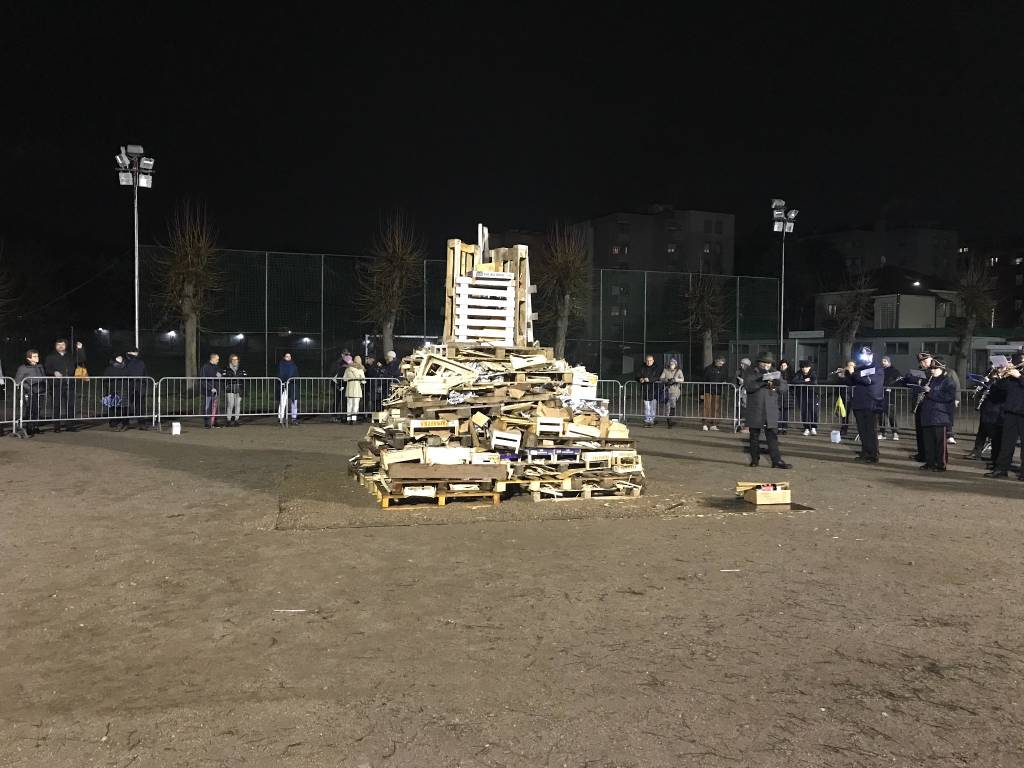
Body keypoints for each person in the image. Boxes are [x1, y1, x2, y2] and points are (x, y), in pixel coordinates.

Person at [742, 352, 792, 469]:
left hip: (770, 409)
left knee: (772, 436)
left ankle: (776, 461)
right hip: (756, 408)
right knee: (754, 436)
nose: (766, 366)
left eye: (768, 363)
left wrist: (777, 385)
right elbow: (749, 387)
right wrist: (762, 381)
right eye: (764, 363)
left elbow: (784, 387)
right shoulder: (751, 372)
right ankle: (755, 460)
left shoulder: (776, 372)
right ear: (759, 362)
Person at [985, 352, 1024, 480]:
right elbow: (1001, 391)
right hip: (1011, 412)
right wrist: (1000, 376)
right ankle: (1001, 469)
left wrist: (1019, 376)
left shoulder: (1017, 374)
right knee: (1006, 443)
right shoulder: (1012, 375)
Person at [917, 360, 957, 471]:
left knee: (940, 443)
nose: (932, 371)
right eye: (931, 368)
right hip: (928, 414)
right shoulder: (930, 380)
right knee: (928, 441)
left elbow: (948, 397)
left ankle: (941, 464)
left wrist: (930, 392)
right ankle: (929, 462)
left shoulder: (948, 381)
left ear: (942, 369)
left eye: (935, 368)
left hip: (940, 415)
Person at [849, 346, 885, 463]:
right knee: (862, 430)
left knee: (870, 430)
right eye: (862, 355)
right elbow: (851, 381)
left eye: (866, 354)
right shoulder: (860, 368)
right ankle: (865, 452)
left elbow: (868, 381)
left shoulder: (877, 368)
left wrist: (853, 373)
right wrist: (846, 374)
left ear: (871, 355)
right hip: (859, 403)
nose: (864, 357)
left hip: (871, 403)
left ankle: (873, 455)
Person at [44, 338, 86, 432]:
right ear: (55, 346)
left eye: (62, 345)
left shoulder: (70, 356)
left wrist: (80, 349)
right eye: (58, 345)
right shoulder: (50, 357)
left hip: (69, 384)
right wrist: (54, 372)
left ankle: (70, 426)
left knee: (70, 405)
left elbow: (81, 359)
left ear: (66, 346)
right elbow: (46, 369)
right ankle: (57, 426)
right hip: (56, 385)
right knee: (56, 406)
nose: (60, 346)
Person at [908, 351, 935, 462]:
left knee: (928, 433)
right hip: (919, 405)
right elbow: (909, 379)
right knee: (919, 431)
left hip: (929, 406)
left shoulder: (935, 371)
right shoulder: (919, 372)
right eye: (921, 361)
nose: (923, 363)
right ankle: (921, 454)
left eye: (925, 360)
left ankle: (929, 455)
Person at [15, 349, 47, 437]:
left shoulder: (40, 366)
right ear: (29, 358)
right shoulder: (23, 368)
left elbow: (43, 377)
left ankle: (36, 426)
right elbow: (18, 381)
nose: (37, 358)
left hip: (40, 391)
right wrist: (28, 387)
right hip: (30, 392)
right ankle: (29, 427)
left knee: (38, 409)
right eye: (35, 356)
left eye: (37, 356)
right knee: (30, 409)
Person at [828, 360, 856, 437]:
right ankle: (844, 429)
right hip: (846, 396)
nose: (850, 367)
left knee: (858, 415)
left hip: (856, 396)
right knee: (845, 414)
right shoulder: (844, 373)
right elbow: (838, 384)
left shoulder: (857, 373)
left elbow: (853, 382)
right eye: (849, 365)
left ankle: (860, 431)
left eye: (852, 365)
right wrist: (840, 376)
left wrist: (851, 373)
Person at [700, 355, 728, 431]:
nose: (722, 364)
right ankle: (705, 424)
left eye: (723, 363)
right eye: (721, 362)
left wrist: (724, 382)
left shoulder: (723, 369)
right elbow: (703, 381)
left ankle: (714, 424)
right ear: (716, 360)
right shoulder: (708, 369)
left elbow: (724, 378)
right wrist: (701, 393)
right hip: (707, 391)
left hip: (717, 392)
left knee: (716, 408)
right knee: (707, 407)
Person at [102, 354, 129, 431]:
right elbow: (105, 379)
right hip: (113, 390)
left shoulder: (126, 368)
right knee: (114, 407)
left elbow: (130, 378)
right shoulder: (110, 368)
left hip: (123, 389)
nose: (120, 358)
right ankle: (115, 422)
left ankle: (123, 423)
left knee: (122, 407)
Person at [124, 348, 150, 430]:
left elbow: (145, 374)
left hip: (136, 387)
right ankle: (127, 423)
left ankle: (139, 423)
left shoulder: (139, 362)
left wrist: (144, 385)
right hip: (132, 387)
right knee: (129, 406)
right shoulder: (127, 362)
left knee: (136, 406)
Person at [878, 356, 901, 440]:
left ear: (889, 361)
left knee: (891, 415)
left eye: (885, 361)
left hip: (890, 396)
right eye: (882, 361)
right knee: (881, 415)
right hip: (880, 395)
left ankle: (895, 432)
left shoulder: (894, 371)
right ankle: (882, 432)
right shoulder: (880, 370)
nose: (883, 362)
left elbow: (900, 380)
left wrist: (891, 387)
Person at [222, 354, 247, 426]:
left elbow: (245, 376)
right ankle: (228, 420)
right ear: (231, 360)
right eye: (233, 359)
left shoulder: (241, 368)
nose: (235, 361)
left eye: (236, 359)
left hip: (239, 388)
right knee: (230, 404)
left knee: (237, 404)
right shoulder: (226, 368)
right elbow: (224, 377)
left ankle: (236, 420)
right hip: (230, 388)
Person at [658, 359, 685, 428]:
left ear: (676, 364)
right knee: (667, 405)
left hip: (675, 390)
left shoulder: (679, 371)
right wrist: (666, 380)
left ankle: (672, 413)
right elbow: (661, 378)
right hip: (667, 390)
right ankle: (669, 421)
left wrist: (675, 380)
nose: (671, 365)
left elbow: (682, 379)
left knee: (672, 401)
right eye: (670, 364)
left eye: (673, 364)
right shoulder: (665, 370)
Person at [199, 352, 223, 428]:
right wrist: (210, 388)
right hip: (207, 391)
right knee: (207, 407)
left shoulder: (218, 367)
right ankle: (207, 423)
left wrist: (221, 376)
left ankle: (215, 421)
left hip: (216, 391)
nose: (218, 361)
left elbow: (220, 377)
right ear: (212, 359)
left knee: (215, 407)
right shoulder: (205, 367)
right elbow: (203, 380)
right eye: (217, 359)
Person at [637, 354, 662, 427]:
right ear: (645, 361)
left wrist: (649, 379)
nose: (649, 362)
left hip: (654, 389)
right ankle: (647, 419)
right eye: (647, 360)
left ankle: (652, 420)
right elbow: (637, 375)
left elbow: (658, 377)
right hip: (645, 389)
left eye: (650, 360)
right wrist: (640, 379)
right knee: (646, 406)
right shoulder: (642, 367)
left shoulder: (656, 367)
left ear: (653, 360)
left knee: (653, 405)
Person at [796, 360, 819, 436]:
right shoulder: (799, 373)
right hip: (802, 394)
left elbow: (814, 382)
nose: (804, 369)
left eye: (806, 367)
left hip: (813, 394)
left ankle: (813, 427)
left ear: (809, 367)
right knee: (804, 412)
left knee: (814, 411)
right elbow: (794, 381)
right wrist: (804, 380)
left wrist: (802, 382)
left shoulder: (813, 372)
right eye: (803, 367)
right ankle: (806, 428)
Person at [343, 354, 366, 423]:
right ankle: (354, 419)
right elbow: (363, 380)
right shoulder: (360, 370)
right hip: (357, 387)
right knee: (356, 404)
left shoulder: (347, 369)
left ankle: (348, 419)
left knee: (349, 404)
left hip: (349, 386)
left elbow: (344, 379)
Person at [278, 352, 299, 425]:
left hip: (292, 385)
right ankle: (281, 417)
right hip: (284, 386)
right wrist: (283, 382)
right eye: (287, 356)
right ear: (284, 357)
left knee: (294, 402)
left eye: (289, 356)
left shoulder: (294, 365)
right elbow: (280, 374)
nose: (288, 357)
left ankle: (294, 418)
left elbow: (296, 375)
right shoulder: (281, 365)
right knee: (282, 402)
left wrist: (293, 380)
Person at [777, 359, 794, 434]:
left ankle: (785, 428)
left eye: (784, 365)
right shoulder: (777, 373)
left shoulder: (791, 373)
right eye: (781, 365)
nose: (783, 367)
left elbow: (793, 381)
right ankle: (779, 427)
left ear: (787, 366)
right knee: (779, 412)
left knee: (786, 413)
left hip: (788, 395)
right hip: (779, 395)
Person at [332, 352, 351, 418]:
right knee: (338, 399)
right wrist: (337, 384)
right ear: (342, 355)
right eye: (346, 354)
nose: (348, 356)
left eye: (348, 354)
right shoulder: (338, 363)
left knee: (344, 400)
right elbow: (335, 373)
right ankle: (335, 415)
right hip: (338, 383)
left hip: (344, 383)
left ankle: (343, 415)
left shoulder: (348, 362)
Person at [735, 357, 752, 433]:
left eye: (743, 364)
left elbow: (752, 382)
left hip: (748, 394)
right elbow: (733, 381)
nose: (741, 365)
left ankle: (747, 426)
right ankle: (738, 425)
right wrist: (736, 387)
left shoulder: (751, 372)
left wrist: (744, 382)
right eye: (741, 363)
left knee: (747, 410)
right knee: (739, 410)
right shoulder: (738, 371)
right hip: (740, 393)